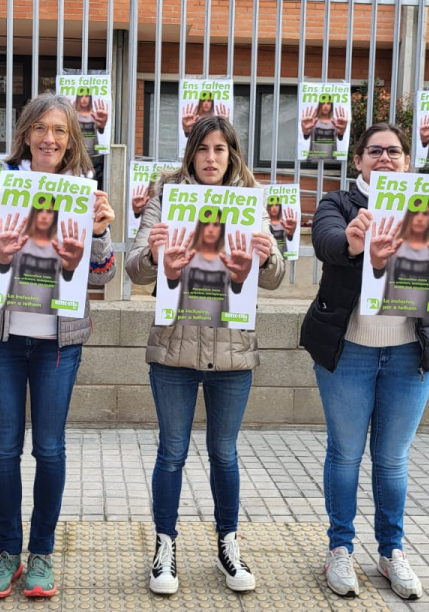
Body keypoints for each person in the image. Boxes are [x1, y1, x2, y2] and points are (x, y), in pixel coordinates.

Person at [300, 122, 429, 602]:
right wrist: (351, 241)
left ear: (408, 159)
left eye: (395, 151)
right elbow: (325, 242)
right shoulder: (339, 204)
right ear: (358, 160)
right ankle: (339, 549)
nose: (385, 158)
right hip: (350, 352)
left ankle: (391, 551)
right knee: (344, 454)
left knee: (392, 459)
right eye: (375, 151)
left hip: (409, 351)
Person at [0, 93, 116, 599]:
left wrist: (98, 235)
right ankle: (8, 554)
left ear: (71, 138)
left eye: (60, 130)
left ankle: (42, 555)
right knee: (4, 449)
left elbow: (104, 274)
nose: (49, 138)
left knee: (49, 450)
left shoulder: (83, 192)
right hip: (2, 340)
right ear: (25, 133)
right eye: (40, 129)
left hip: (57, 343)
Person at [127, 116, 285, 596]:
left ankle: (227, 545)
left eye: (221, 148)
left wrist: (266, 257)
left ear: (231, 154)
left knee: (224, 453)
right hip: (174, 349)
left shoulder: (248, 202)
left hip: (233, 351)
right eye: (203, 148)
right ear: (191, 154)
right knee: (171, 453)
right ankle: (165, 547)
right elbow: (134, 268)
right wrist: (155, 256)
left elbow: (275, 276)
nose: (212, 157)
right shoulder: (166, 199)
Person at [161, 220, 254, 328]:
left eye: (215, 224)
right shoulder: (185, 257)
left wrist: (243, 274)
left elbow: (236, 287)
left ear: (221, 229)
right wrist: (169, 268)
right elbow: (172, 282)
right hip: (184, 332)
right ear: (200, 227)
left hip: (218, 333)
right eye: (206, 224)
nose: (210, 229)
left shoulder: (229, 261)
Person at [0, 208, 86, 314]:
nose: (44, 216)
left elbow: (67, 276)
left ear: (54, 216)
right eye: (40, 210)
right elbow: (3, 267)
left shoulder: (62, 248)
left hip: (48, 319)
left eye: (49, 211)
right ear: (34, 214)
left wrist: (74, 262)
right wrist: (1, 254)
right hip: (12, 316)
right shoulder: (18, 243)